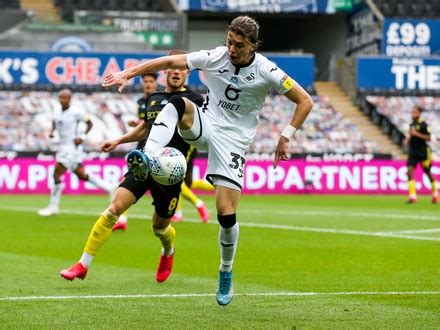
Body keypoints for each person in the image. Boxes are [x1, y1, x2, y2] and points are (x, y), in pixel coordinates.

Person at [103, 16, 314, 305]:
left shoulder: (267, 69)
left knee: (226, 215)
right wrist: (130, 72)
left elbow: (305, 101)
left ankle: (225, 271)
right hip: (207, 123)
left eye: (238, 45)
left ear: (253, 45)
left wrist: (286, 136)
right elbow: (169, 63)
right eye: (229, 41)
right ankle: (148, 157)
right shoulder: (215, 56)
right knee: (177, 103)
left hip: (234, 141)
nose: (231, 48)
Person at [59, 50, 205, 284]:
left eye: (182, 68)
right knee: (115, 207)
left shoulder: (194, 101)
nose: (177, 72)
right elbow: (145, 128)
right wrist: (118, 140)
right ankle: (82, 264)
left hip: (169, 173)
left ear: (188, 72)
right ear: (165, 70)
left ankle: (168, 251)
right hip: (145, 164)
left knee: (159, 228)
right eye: (173, 68)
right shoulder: (153, 98)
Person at [38, 89, 115, 217]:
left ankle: (53, 207)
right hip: (62, 147)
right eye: (61, 97)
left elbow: (89, 122)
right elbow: (54, 121)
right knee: (81, 175)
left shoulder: (76, 112)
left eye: (65, 98)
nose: (63, 100)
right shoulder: (56, 110)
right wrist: (52, 131)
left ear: (70, 99)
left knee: (56, 173)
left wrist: (82, 137)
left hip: (71, 148)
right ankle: (109, 187)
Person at [113, 73, 158, 231]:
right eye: (145, 81)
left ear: (156, 83)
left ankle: (192, 207)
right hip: (141, 146)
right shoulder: (140, 102)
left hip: (157, 147)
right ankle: (122, 218)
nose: (148, 84)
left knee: (168, 183)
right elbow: (145, 126)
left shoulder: (159, 100)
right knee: (129, 181)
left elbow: (155, 123)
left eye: (151, 81)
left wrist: (138, 123)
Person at [404, 106, 438, 204]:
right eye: (412, 112)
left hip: (423, 152)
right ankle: (413, 196)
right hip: (413, 151)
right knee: (409, 171)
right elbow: (411, 135)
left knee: (428, 173)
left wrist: (416, 134)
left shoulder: (424, 124)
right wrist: (408, 140)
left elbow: (428, 138)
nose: (413, 114)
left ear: (419, 113)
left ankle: (435, 194)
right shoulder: (412, 124)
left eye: (415, 112)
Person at [171, 146, 214, 223]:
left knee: (177, 181)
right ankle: (217, 187)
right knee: (188, 183)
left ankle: (198, 205)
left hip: (183, 148)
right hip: (188, 148)